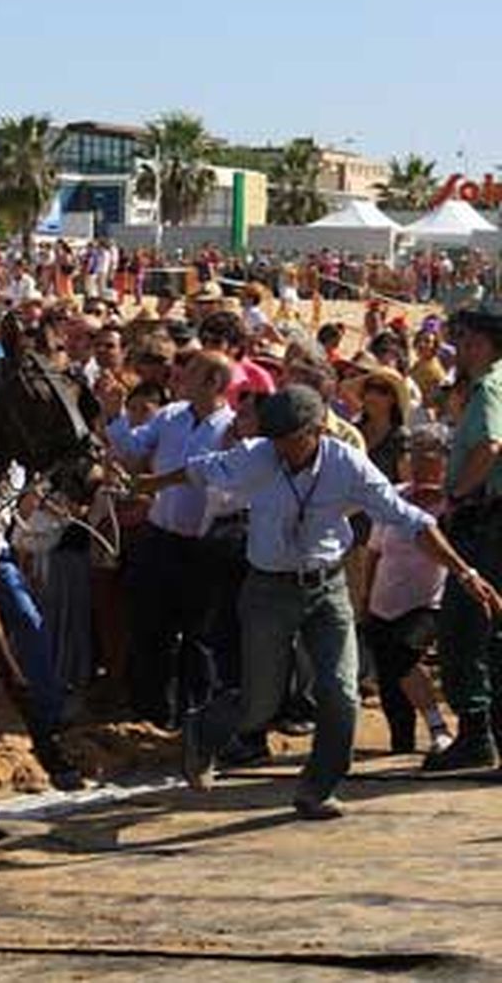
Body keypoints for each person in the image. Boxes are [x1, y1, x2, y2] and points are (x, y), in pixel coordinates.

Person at [134, 385, 501, 819]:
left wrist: (465, 571)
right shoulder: (258, 456)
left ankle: (317, 787)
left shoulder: (348, 466)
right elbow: (199, 471)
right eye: (276, 439)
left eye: (291, 439)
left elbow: (412, 521)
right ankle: (204, 732)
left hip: (327, 590)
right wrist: (150, 483)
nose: (282, 448)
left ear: (316, 430)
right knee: (260, 702)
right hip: (268, 589)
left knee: (340, 692)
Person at [104, 351, 240, 727]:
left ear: (213, 382)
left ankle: (195, 718)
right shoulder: (170, 415)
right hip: (160, 537)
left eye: (192, 370)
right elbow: (132, 452)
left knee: (199, 637)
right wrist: (113, 414)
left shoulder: (232, 429)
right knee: (150, 627)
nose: (180, 375)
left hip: (204, 547)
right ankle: (150, 712)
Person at [425, 304, 502, 771]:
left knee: (464, 626)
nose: (465, 348)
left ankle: (476, 732)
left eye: (473, 341)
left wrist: (456, 493)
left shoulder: (490, 388)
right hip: (489, 517)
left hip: (486, 518)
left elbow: (490, 445)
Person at [364, 431, 455, 756]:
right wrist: (366, 597)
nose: (417, 461)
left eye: (427, 454)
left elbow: (446, 550)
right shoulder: (393, 496)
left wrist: (439, 505)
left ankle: (437, 726)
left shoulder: (452, 500)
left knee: (405, 653)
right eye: (413, 454)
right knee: (390, 680)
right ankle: (401, 743)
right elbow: (375, 551)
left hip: (427, 600)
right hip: (384, 600)